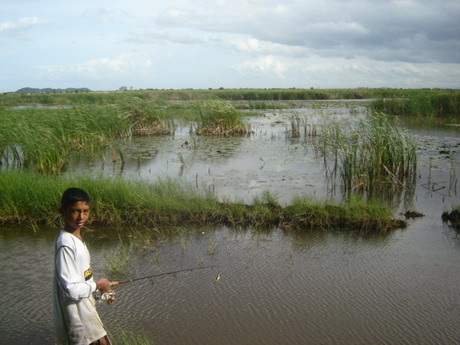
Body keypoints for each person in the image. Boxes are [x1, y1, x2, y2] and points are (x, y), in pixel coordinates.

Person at [53, 187, 115, 345]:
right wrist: (98, 284)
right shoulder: (66, 244)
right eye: (75, 211)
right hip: (77, 318)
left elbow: (83, 278)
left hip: (86, 311)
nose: (81, 217)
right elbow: (71, 289)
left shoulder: (77, 238)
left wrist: (101, 291)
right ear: (62, 211)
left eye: (85, 211)